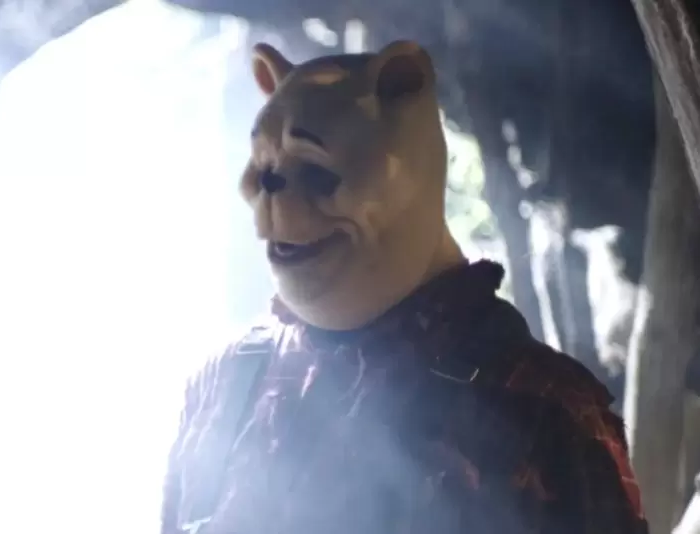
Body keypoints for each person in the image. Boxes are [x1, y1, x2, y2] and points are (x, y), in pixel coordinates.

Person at [159, 39, 650, 534]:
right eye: (265, 170)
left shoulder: (542, 413)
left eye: (315, 170)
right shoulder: (227, 384)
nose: (271, 195)